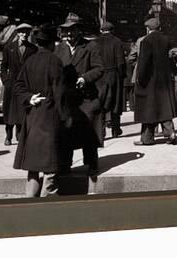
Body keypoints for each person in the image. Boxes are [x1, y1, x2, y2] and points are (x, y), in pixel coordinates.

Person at [12, 24, 70, 197]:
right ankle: (46, 204)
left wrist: (30, 98)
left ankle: (28, 202)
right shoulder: (55, 61)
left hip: (32, 116)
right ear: (52, 44)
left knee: (33, 166)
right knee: (50, 167)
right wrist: (66, 117)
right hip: (50, 117)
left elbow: (18, 85)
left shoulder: (30, 61)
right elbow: (60, 93)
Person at [54, 13, 104, 179]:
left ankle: (92, 163)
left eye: (72, 30)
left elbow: (99, 69)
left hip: (85, 98)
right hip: (67, 98)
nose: (68, 34)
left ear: (79, 31)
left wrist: (85, 78)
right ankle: (64, 164)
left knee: (88, 131)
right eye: (65, 31)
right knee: (65, 132)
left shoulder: (91, 46)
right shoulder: (59, 48)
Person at [133, 18, 177, 145]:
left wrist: (140, 79)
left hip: (150, 80)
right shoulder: (166, 40)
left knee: (148, 108)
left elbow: (143, 63)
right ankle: (170, 133)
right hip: (164, 79)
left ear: (148, 28)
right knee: (165, 107)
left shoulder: (146, 41)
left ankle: (147, 138)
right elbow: (171, 58)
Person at [0, 23, 37, 146]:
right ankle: (8, 136)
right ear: (17, 33)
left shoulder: (33, 49)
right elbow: (3, 66)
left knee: (22, 109)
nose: (24, 34)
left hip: (25, 84)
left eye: (27, 32)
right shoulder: (9, 47)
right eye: (22, 32)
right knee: (9, 110)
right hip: (11, 84)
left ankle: (20, 136)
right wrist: (5, 80)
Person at [94, 21, 126, 138]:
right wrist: (121, 75)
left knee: (101, 102)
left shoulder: (95, 43)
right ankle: (115, 129)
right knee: (115, 102)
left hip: (99, 75)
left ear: (101, 30)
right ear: (112, 30)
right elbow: (121, 62)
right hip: (114, 74)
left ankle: (101, 131)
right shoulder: (117, 42)